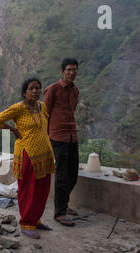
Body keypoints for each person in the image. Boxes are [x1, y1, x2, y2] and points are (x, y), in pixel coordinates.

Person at [0, 77, 55, 239]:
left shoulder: (42, 107)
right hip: (28, 154)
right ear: (24, 92)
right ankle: (26, 222)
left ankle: (36, 219)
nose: (35, 91)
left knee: (42, 189)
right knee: (29, 189)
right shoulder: (19, 108)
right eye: (31, 88)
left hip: (44, 154)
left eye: (37, 88)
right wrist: (12, 129)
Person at [43, 58, 80, 227]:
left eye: (75, 69)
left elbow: (72, 111)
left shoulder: (75, 91)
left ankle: (64, 204)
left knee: (73, 174)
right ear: (62, 71)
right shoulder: (53, 89)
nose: (72, 72)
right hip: (57, 136)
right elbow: (45, 113)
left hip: (72, 136)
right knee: (62, 175)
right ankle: (60, 213)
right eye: (69, 69)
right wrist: (45, 136)